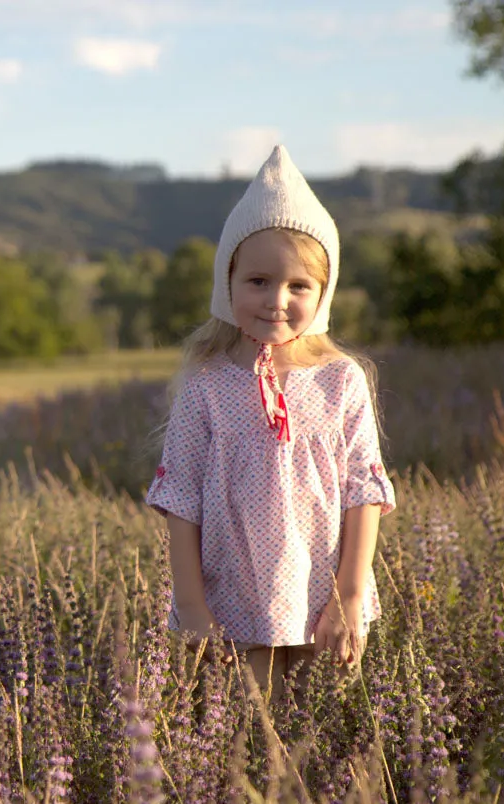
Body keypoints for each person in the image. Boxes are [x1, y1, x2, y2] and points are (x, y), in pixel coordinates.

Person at [146, 145, 396, 699]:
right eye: (257, 281)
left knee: (322, 738)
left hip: (323, 601)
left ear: (323, 294)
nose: (276, 300)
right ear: (227, 281)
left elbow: (364, 492)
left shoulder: (340, 379)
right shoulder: (206, 383)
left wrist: (350, 596)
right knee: (248, 737)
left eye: (298, 285)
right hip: (230, 600)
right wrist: (190, 606)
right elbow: (181, 497)